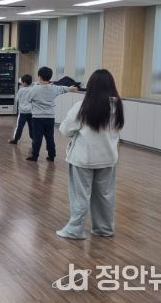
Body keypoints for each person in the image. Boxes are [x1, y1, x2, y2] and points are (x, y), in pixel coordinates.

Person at [56, 69, 124, 239]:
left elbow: (65, 130)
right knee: (105, 195)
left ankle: (75, 229)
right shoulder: (117, 106)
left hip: (83, 158)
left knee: (80, 195)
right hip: (108, 158)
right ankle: (104, 228)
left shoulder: (82, 106)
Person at [23, 66, 77, 162]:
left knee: (37, 138)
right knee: (50, 137)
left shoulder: (34, 89)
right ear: (50, 77)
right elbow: (64, 89)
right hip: (50, 117)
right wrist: (70, 88)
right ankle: (52, 155)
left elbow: (27, 100)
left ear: (39, 76)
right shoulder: (54, 88)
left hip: (37, 118)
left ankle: (35, 156)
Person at [9, 74, 33, 144]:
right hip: (31, 112)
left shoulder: (21, 90)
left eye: (22, 82)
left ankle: (15, 140)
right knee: (32, 127)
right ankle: (34, 139)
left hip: (22, 112)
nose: (21, 83)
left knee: (19, 126)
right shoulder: (33, 90)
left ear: (24, 83)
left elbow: (16, 99)